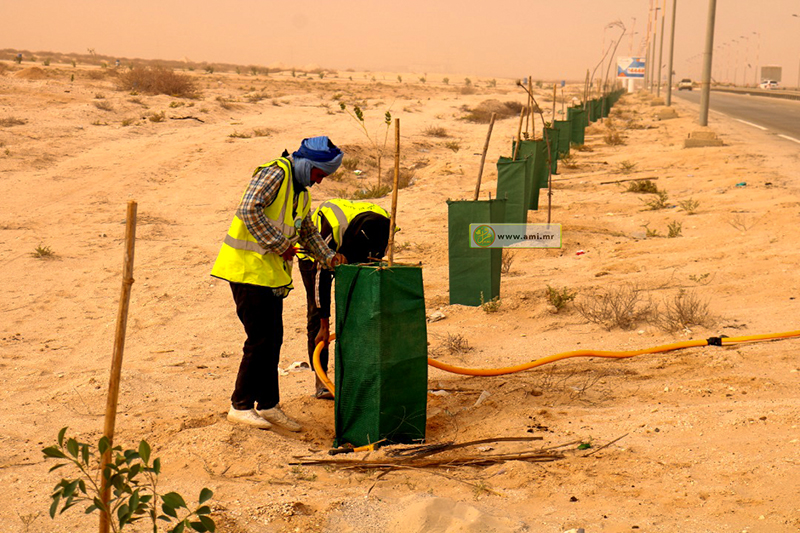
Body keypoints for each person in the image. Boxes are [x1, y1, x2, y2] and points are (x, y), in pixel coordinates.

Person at [211, 136, 347, 431]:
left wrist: (329, 258)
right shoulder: (277, 173)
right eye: (319, 174)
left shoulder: (302, 193)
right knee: (259, 341)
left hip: (269, 275)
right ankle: (241, 405)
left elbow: (307, 231)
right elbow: (248, 210)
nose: (320, 182)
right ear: (309, 165)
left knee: (273, 342)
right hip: (246, 271)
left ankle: (269, 405)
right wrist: (279, 243)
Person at [298, 199, 391, 399]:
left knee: (357, 308)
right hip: (314, 257)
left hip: (351, 244)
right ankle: (322, 382)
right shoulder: (332, 228)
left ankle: (355, 376)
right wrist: (325, 324)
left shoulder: (385, 225)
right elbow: (320, 280)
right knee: (316, 315)